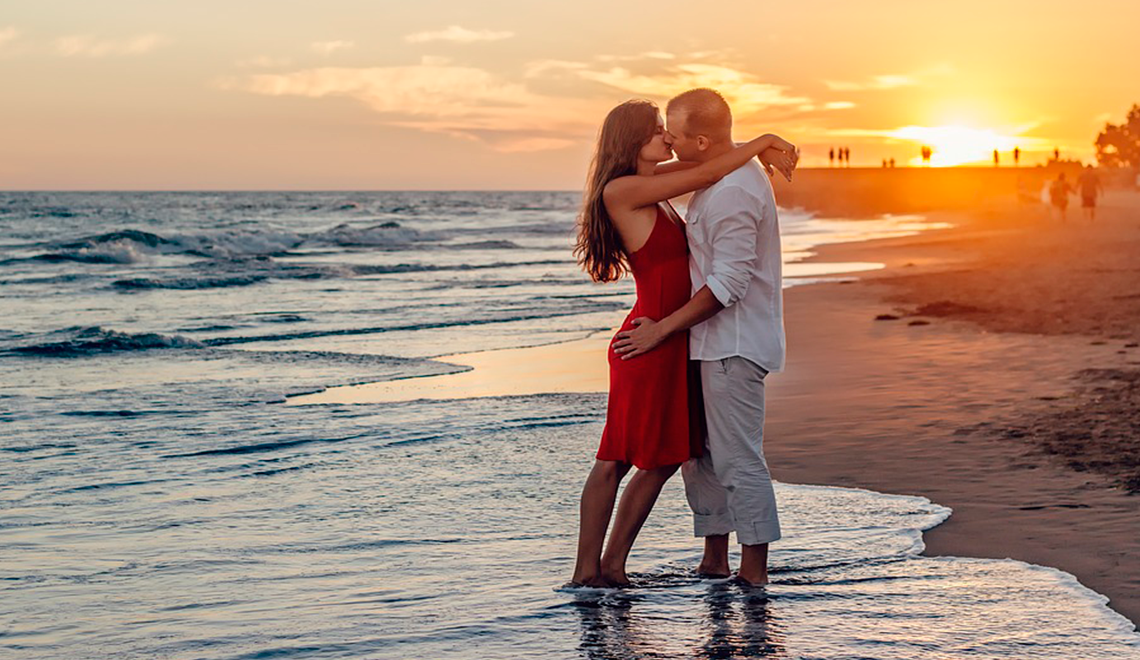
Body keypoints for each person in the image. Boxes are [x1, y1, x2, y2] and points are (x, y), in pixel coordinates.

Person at [570, 98, 797, 587]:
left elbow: (707, 161)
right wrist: (763, 143)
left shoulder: (655, 186)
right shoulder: (627, 189)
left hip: (673, 337)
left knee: (668, 457)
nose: (667, 140)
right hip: (650, 339)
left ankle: (609, 568)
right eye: (657, 132)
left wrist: (753, 147)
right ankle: (590, 573)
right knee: (620, 456)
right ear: (634, 142)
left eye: (668, 131)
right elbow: (704, 167)